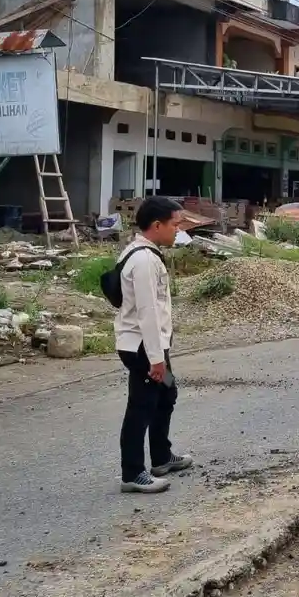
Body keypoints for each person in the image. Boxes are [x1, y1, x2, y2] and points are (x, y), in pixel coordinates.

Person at [114, 196, 192, 493]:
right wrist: (156, 360)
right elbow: (147, 311)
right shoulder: (144, 260)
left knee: (166, 394)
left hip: (153, 346)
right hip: (143, 348)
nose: (178, 230)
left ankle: (161, 457)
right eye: (175, 224)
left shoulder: (144, 253)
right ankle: (132, 473)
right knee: (142, 406)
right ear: (157, 225)